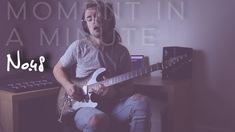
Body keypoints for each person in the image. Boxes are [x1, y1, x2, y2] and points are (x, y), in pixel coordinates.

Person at [53, 1, 151, 132]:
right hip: (83, 106)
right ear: (85, 25)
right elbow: (57, 69)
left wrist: (112, 93)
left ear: (110, 21)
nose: (94, 21)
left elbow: (128, 88)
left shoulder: (122, 52)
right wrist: (68, 86)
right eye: (89, 18)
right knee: (98, 120)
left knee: (141, 101)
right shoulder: (78, 46)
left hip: (113, 105)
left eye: (99, 17)